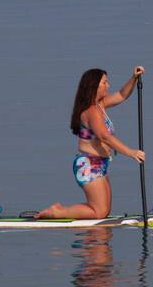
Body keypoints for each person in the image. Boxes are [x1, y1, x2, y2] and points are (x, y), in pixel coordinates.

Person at [36, 67, 145, 219]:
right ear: (94, 86)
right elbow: (104, 137)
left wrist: (133, 77)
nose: (108, 85)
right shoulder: (91, 111)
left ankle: (69, 217)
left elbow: (121, 95)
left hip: (100, 163)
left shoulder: (100, 105)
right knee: (98, 212)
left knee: (104, 211)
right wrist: (131, 152)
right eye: (105, 82)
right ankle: (57, 212)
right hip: (88, 165)